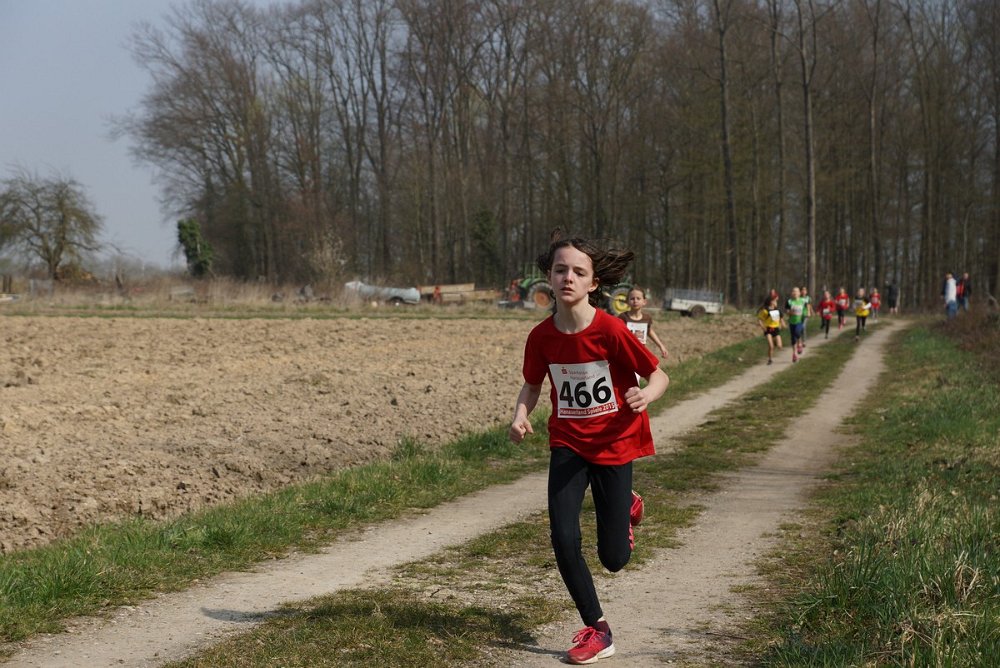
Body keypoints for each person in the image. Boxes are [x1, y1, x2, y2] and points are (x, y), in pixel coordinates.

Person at [509, 235, 669, 665]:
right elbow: (532, 385)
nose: (568, 278)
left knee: (613, 559)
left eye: (579, 272)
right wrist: (520, 415)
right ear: (549, 276)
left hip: (614, 443)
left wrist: (646, 395)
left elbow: (659, 375)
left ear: (593, 283)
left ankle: (626, 503)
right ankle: (598, 629)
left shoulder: (611, 330)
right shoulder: (541, 337)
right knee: (563, 537)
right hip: (568, 443)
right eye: (560, 270)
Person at [619, 286, 669, 359]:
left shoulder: (646, 318)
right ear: (627, 301)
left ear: (644, 302)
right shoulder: (622, 317)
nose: (635, 301)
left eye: (638, 298)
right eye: (632, 298)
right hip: (625, 355)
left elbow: (649, 331)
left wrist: (661, 346)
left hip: (639, 355)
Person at [757, 293, 785, 365]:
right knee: (771, 346)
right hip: (768, 329)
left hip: (776, 329)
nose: (776, 302)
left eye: (776, 301)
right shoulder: (765, 310)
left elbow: (780, 319)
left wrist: (782, 324)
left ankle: (775, 342)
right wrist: (763, 327)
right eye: (775, 301)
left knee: (779, 346)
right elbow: (760, 320)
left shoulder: (778, 310)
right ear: (771, 302)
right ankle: (770, 359)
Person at [785, 287, 808, 362]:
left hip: (800, 321)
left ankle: (800, 343)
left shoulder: (803, 301)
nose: (795, 293)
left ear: (799, 293)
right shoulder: (789, 301)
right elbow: (787, 311)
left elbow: (805, 309)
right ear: (792, 293)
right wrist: (790, 312)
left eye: (796, 291)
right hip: (792, 322)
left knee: (797, 332)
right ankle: (794, 354)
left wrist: (806, 313)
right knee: (793, 339)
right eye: (793, 291)